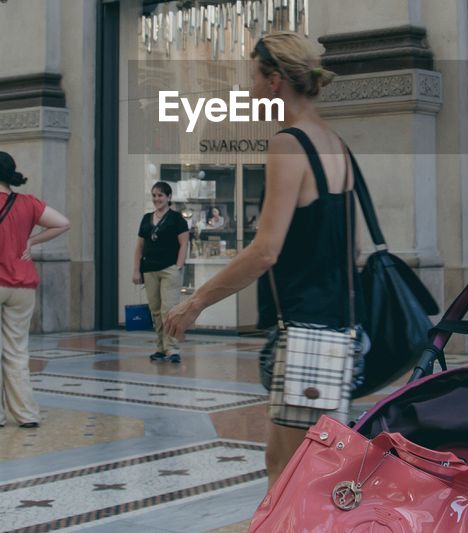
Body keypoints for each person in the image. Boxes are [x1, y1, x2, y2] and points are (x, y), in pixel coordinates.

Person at [165, 32, 362, 486]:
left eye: (252, 78)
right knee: (314, 470)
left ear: (274, 81)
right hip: (340, 328)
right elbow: (350, 250)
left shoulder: (289, 144)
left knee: (289, 472)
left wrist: (195, 303)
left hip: (308, 333)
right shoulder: (336, 144)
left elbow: (265, 250)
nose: (248, 90)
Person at [0, 151, 69, 428]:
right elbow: (63, 223)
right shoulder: (28, 203)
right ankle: (26, 414)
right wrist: (32, 242)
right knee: (18, 351)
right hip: (22, 286)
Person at [131, 182, 189, 364]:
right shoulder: (146, 218)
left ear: (169, 197)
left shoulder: (177, 219)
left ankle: (172, 349)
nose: (157, 199)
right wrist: (136, 270)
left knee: (169, 310)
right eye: (154, 195)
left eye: (161, 195)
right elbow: (139, 247)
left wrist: (178, 266)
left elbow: (184, 244)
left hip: (169, 269)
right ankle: (160, 348)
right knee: (155, 311)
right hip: (149, 270)